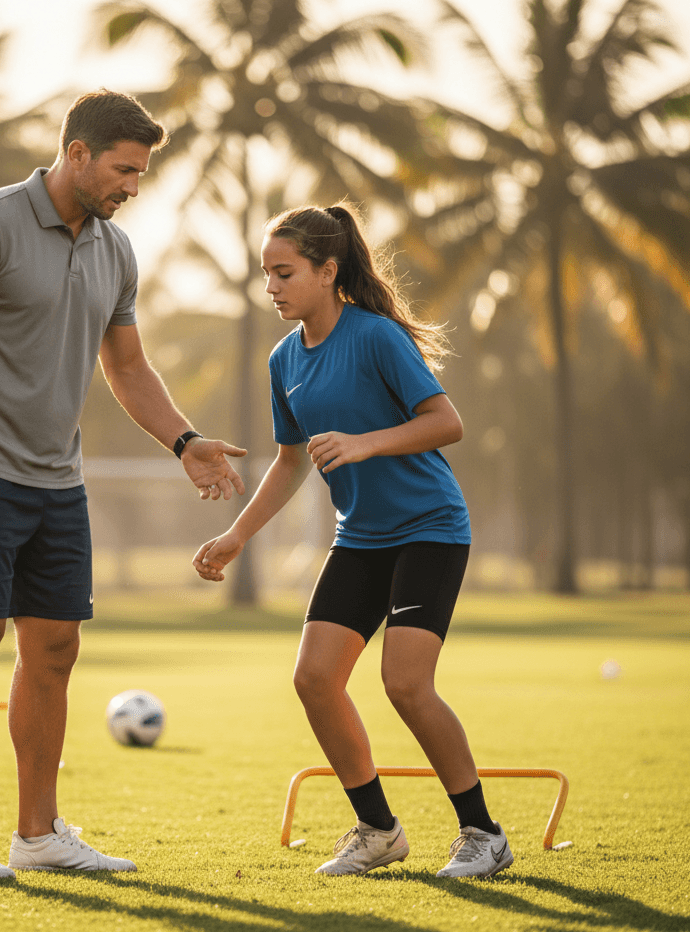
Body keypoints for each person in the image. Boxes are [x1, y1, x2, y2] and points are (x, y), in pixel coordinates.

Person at [0, 89, 246, 880]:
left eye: (142, 174)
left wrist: (185, 442)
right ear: (78, 154)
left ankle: (38, 833)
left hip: (60, 483)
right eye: (124, 170)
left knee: (54, 649)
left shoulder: (114, 251)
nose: (132, 187)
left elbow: (125, 366)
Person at [193, 204, 512, 879]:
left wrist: (366, 443)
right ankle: (378, 829)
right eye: (266, 275)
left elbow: (446, 422)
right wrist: (236, 536)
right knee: (313, 678)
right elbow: (289, 463)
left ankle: (483, 834)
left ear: (327, 271)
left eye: (284, 273)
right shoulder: (284, 360)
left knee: (405, 684)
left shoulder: (375, 338)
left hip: (430, 528)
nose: (272, 288)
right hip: (360, 538)